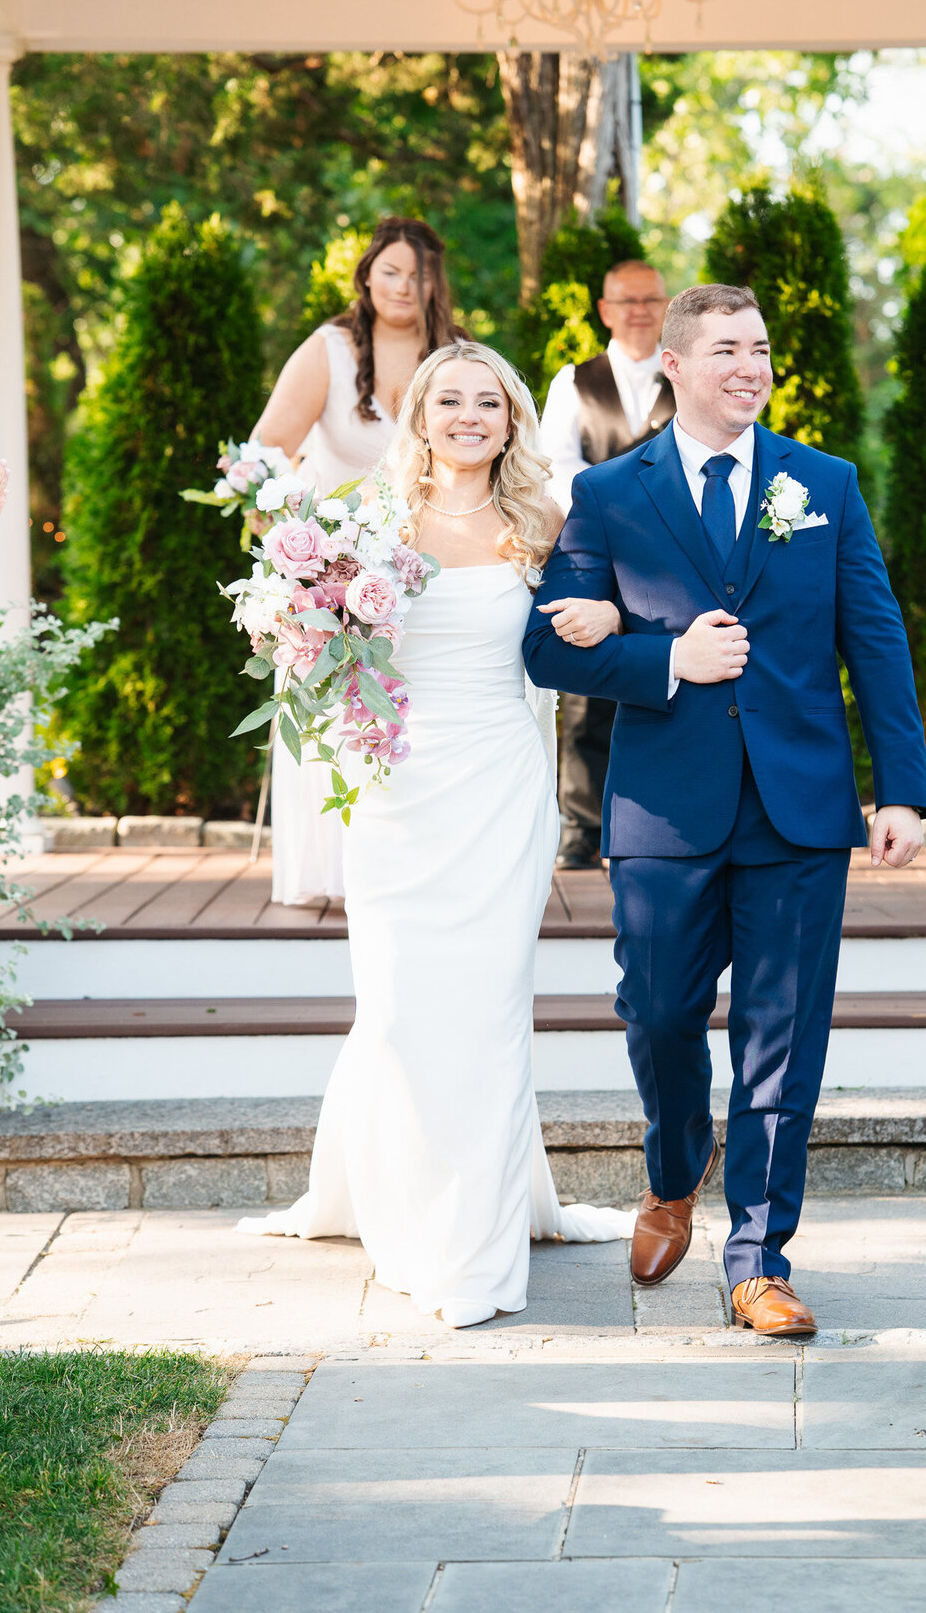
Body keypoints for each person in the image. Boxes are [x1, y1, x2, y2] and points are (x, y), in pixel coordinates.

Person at [525, 284, 926, 1338]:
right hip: (665, 805)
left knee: (781, 1038)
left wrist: (904, 787)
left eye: (761, 349)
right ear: (672, 364)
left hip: (800, 806)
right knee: (657, 1013)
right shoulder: (612, 494)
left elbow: (875, 638)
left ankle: (759, 1258)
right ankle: (673, 1167)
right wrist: (667, 657)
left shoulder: (824, 484)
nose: (750, 367)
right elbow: (540, 646)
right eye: (726, 351)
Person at [241, 340, 633, 1328]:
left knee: (489, 1005)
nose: (468, 416)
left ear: (511, 420)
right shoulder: (368, 517)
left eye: (487, 402)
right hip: (396, 790)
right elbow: (315, 640)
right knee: (405, 1005)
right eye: (449, 400)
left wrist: (604, 611)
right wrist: (291, 627)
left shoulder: (547, 517)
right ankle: (390, 1197)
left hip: (500, 784)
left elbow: (610, 611)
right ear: (419, 412)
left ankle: (474, 1251)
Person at [251, 217, 460, 905]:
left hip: (431, 563)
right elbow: (265, 458)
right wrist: (300, 556)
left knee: (418, 710)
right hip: (337, 569)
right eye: (392, 270)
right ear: (367, 275)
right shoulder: (330, 350)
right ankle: (337, 872)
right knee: (342, 717)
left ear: (436, 285)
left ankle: (423, 860)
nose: (405, 286)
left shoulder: (457, 355)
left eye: (419, 273)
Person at [540, 259, 675, 869]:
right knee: (586, 679)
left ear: (667, 306)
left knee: (665, 668)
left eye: (651, 299)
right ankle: (581, 823)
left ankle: (655, 820)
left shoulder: (687, 375)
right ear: (605, 310)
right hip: (595, 544)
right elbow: (555, 464)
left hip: (675, 552)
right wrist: (610, 511)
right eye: (627, 300)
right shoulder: (574, 380)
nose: (640, 310)